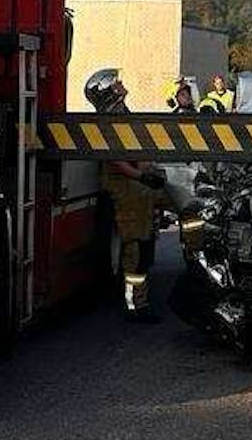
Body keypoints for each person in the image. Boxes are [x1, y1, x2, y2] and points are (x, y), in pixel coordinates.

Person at [85, 69, 166, 323]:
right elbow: (117, 161)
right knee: (136, 245)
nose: (121, 83)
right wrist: (142, 176)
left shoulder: (122, 113)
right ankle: (135, 305)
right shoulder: (110, 120)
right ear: (109, 91)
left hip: (135, 182)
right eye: (116, 82)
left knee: (147, 238)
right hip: (125, 186)